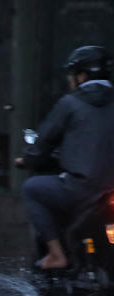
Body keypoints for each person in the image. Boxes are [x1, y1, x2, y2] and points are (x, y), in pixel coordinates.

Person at [15, 45, 114, 270]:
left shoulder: (70, 103)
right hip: (109, 192)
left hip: (81, 190)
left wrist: (27, 159)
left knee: (32, 188)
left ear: (81, 76)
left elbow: (43, 143)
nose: (71, 81)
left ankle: (56, 254)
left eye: (72, 75)